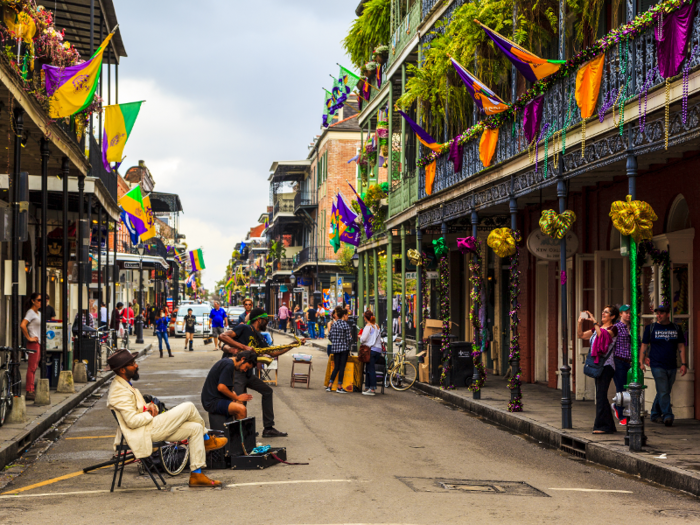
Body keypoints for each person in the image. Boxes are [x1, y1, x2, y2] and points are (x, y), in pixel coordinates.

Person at [106, 349, 227, 487]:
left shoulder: (124, 384)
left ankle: (196, 475)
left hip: (147, 427)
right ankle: (207, 440)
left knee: (196, 428)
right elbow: (132, 421)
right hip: (144, 432)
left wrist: (150, 408)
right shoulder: (118, 391)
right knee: (189, 407)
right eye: (132, 363)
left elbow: (138, 410)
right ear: (122, 370)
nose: (136, 365)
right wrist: (149, 413)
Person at [219, 308, 288, 437]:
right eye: (266, 320)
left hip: (248, 373)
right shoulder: (244, 328)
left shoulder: (258, 336)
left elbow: (272, 352)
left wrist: (291, 346)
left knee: (267, 391)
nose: (267, 323)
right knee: (240, 402)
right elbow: (222, 336)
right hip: (236, 371)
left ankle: (268, 428)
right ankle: (239, 433)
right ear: (259, 320)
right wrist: (243, 347)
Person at [641, 304, 688, 427]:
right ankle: (668, 415)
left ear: (668, 314)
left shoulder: (676, 328)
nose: (659, 315)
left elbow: (681, 346)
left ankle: (655, 414)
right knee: (663, 390)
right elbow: (644, 345)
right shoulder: (650, 328)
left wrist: (684, 364)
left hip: (672, 365)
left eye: (661, 313)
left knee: (664, 391)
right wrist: (641, 361)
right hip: (657, 364)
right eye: (657, 313)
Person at [577, 305, 619, 434]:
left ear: (612, 316)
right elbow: (581, 335)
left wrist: (595, 321)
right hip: (598, 365)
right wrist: (580, 322)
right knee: (601, 395)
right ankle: (609, 426)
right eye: (603, 311)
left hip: (607, 366)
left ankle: (602, 426)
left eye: (606, 312)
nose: (603, 314)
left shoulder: (613, 328)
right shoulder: (597, 328)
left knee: (601, 395)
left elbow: (603, 337)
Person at [201, 350, 257, 420]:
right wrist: (237, 398)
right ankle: (240, 431)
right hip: (212, 401)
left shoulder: (229, 362)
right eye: (246, 367)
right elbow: (221, 387)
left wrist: (235, 397)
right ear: (243, 359)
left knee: (239, 403)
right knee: (241, 409)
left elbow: (227, 386)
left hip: (216, 398)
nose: (245, 370)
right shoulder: (229, 365)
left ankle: (235, 429)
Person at [20, 293, 42, 401]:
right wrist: (29, 338)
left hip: (38, 343)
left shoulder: (38, 313)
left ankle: (31, 389)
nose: (41, 302)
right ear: (33, 301)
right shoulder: (30, 312)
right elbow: (23, 325)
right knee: (32, 367)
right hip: (33, 342)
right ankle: (29, 390)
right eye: (39, 300)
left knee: (34, 367)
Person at [327, 306, 352, 394]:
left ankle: (329, 385)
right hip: (344, 349)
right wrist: (346, 342)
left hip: (335, 348)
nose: (347, 317)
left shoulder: (334, 324)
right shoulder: (346, 325)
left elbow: (329, 336)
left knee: (336, 367)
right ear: (343, 315)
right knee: (342, 368)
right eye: (347, 315)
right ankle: (339, 387)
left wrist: (335, 342)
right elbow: (348, 339)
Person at [360, 310, 383, 396]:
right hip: (378, 350)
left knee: (371, 369)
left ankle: (372, 389)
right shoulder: (376, 326)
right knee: (369, 368)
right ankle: (367, 387)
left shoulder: (368, 326)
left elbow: (363, 339)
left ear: (365, 318)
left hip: (371, 350)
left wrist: (360, 337)